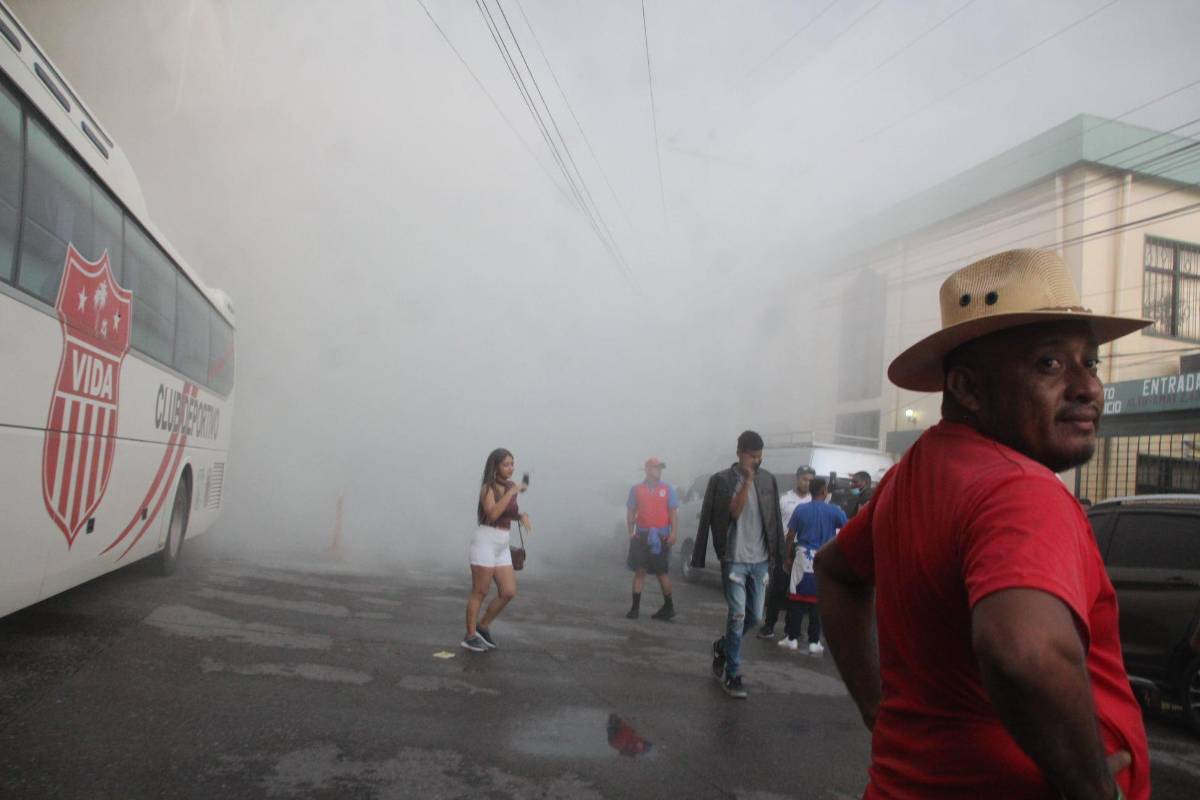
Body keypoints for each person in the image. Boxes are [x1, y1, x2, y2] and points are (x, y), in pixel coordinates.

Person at [814, 249, 1151, 799]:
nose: (1088, 386)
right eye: (1050, 363)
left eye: (1090, 361)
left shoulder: (916, 472)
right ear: (968, 388)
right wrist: (1095, 790)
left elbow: (836, 572)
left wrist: (879, 710)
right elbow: (1024, 651)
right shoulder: (1019, 488)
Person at [692, 430, 785, 698]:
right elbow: (727, 514)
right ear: (739, 453)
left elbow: (775, 519)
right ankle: (733, 674)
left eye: (759, 456)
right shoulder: (722, 480)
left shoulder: (768, 480)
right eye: (751, 456)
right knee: (738, 616)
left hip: (760, 561)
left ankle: (722, 646)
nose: (755, 461)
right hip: (733, 559)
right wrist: (746, 482)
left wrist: (778, 555)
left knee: (755, 616)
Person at [463, 448, 531, 652]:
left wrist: (522, 516)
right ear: (495, 466)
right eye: (506, 464)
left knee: (508, 592)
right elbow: (492, 514)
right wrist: (511, 492)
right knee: (480, 591)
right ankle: (470, 635)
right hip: (485, 540)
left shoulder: (510, 486)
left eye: (512, 464)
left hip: (502, 542)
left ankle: (482, 627)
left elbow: (510, 512)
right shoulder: (488, 488)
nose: (511, 468)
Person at [779, 477, 846, 654]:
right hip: (824, 558)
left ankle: (792, 638)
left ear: (811, 491)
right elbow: (847, 531)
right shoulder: (835, 511)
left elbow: (790, 535)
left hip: (802, 556)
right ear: (824, 491)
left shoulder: (801, 509)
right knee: (819, 599)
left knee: (796, 596)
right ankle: (814, 641)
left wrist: (787, 557)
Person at [758, 465, 816, 639]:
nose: (807, 483)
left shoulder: (815, 501)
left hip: (804, 551)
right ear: (797, 479)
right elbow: (773, 523)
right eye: (804, 479)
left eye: (810, 480)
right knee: (778, 588)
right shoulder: (784, 499)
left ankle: (792, 629)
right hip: (784, 548)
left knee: (797, 591)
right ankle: (769, 625)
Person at [625, 457, 680, 620]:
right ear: (648, 469)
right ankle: (635, 608)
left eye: (660, 468)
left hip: (661, 536)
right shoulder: (636, 489)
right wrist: (630, 531)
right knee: (639, 570)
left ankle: (669, 607)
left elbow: (673, 513)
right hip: (641, 534)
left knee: (661, 572)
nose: (659, 471)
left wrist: (674, 533)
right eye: (656, 468)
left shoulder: (667, 489)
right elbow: (631, 511)